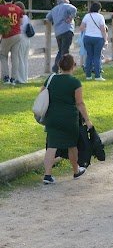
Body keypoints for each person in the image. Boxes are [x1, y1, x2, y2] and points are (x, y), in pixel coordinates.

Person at [41, 55, 90, 184]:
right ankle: (75, 170)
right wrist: (88, 120)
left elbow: (42, 93)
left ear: (59, 66)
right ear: (73, 66)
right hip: (69, 118)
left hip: (52, 117)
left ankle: (47, 175)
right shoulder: (75, 82)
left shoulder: (50, 79)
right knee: (72, 146)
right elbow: (79, 103)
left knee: (52, 146)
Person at [46, 0, 78, 73]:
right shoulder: (66, 6)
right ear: (65, 0)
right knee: (65, 51)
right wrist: (71, 17)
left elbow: (48, 17)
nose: (69, 1)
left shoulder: (54, 9)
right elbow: (74, 9)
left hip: (58, 32)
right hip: (67, 30)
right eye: (68, 0)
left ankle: (56, 68)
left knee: (61, 50)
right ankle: (63, 69)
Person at [79, 2, 108, 81]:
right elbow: (103, 29)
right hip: (98, 38)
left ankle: (88, 75)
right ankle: (97, 76)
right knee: (97, 57)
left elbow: (81, 27)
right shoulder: (100, 17)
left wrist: (88, 30)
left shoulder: (87, 16)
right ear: (99, 9)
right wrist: (105, 39)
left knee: (89, 56)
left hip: (87, 37)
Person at [0, 0, 23, 85]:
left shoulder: (1, 8)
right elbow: (20, 22)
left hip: (7, 34)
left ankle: (6, 77)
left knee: (3, 55)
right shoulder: (18, 8)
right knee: (15, 57)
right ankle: (14, 78)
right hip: (17, 34)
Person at [15, 2, 31, 83]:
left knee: (20, 58)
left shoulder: (20, 17)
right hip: (27, 39)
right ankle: (25, 78)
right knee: (25, 59)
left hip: (21, 37)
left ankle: (20, 79)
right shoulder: (26, 17)